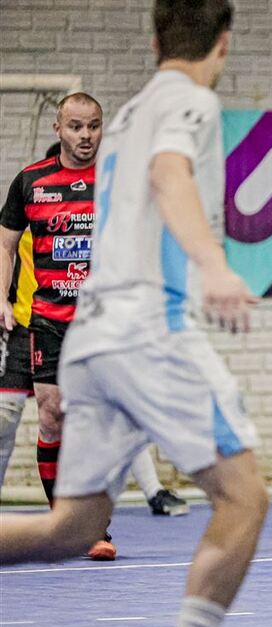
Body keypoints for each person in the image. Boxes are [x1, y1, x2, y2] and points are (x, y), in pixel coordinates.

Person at [0, 1, 268, 627]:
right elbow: (169, 174)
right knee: (245, 498)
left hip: (86, 338)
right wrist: (213, 265)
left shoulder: (120, 119)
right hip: (146, 328)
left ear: (153, 40)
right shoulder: (193, 104)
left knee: (73, 528)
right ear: (225, 44)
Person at [0, 123, 187, 539]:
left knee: (110, 413)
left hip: (93, 323)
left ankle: (139, 496)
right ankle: (65, 517)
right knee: (18, 419)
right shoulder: (32, 207)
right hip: (29, 324)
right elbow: (6, 249)